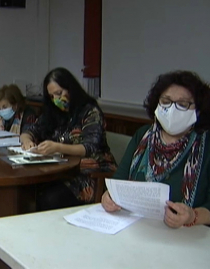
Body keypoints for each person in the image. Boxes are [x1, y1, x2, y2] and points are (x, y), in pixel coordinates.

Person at [102, 70, 210, 228]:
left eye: (182, 104)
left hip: (189, 236)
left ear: (198, 110)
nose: (172, 109)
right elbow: (118, 182)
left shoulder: (206, 144)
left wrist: (192, 216)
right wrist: (108, 197)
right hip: (136, 228)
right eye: (166, 101)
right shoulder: (143, 136)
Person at [20, 67, 116, 211]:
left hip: (89, 175)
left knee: (48, 198)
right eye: (52, 96)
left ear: (70, 88)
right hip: (61, 173)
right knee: (26, 192)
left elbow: (89, 147)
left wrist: (57, 147)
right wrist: (27, 140)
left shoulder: (90, 111)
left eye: (59, 93)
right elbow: (29, 131)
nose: (56, 100)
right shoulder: (54, 112)